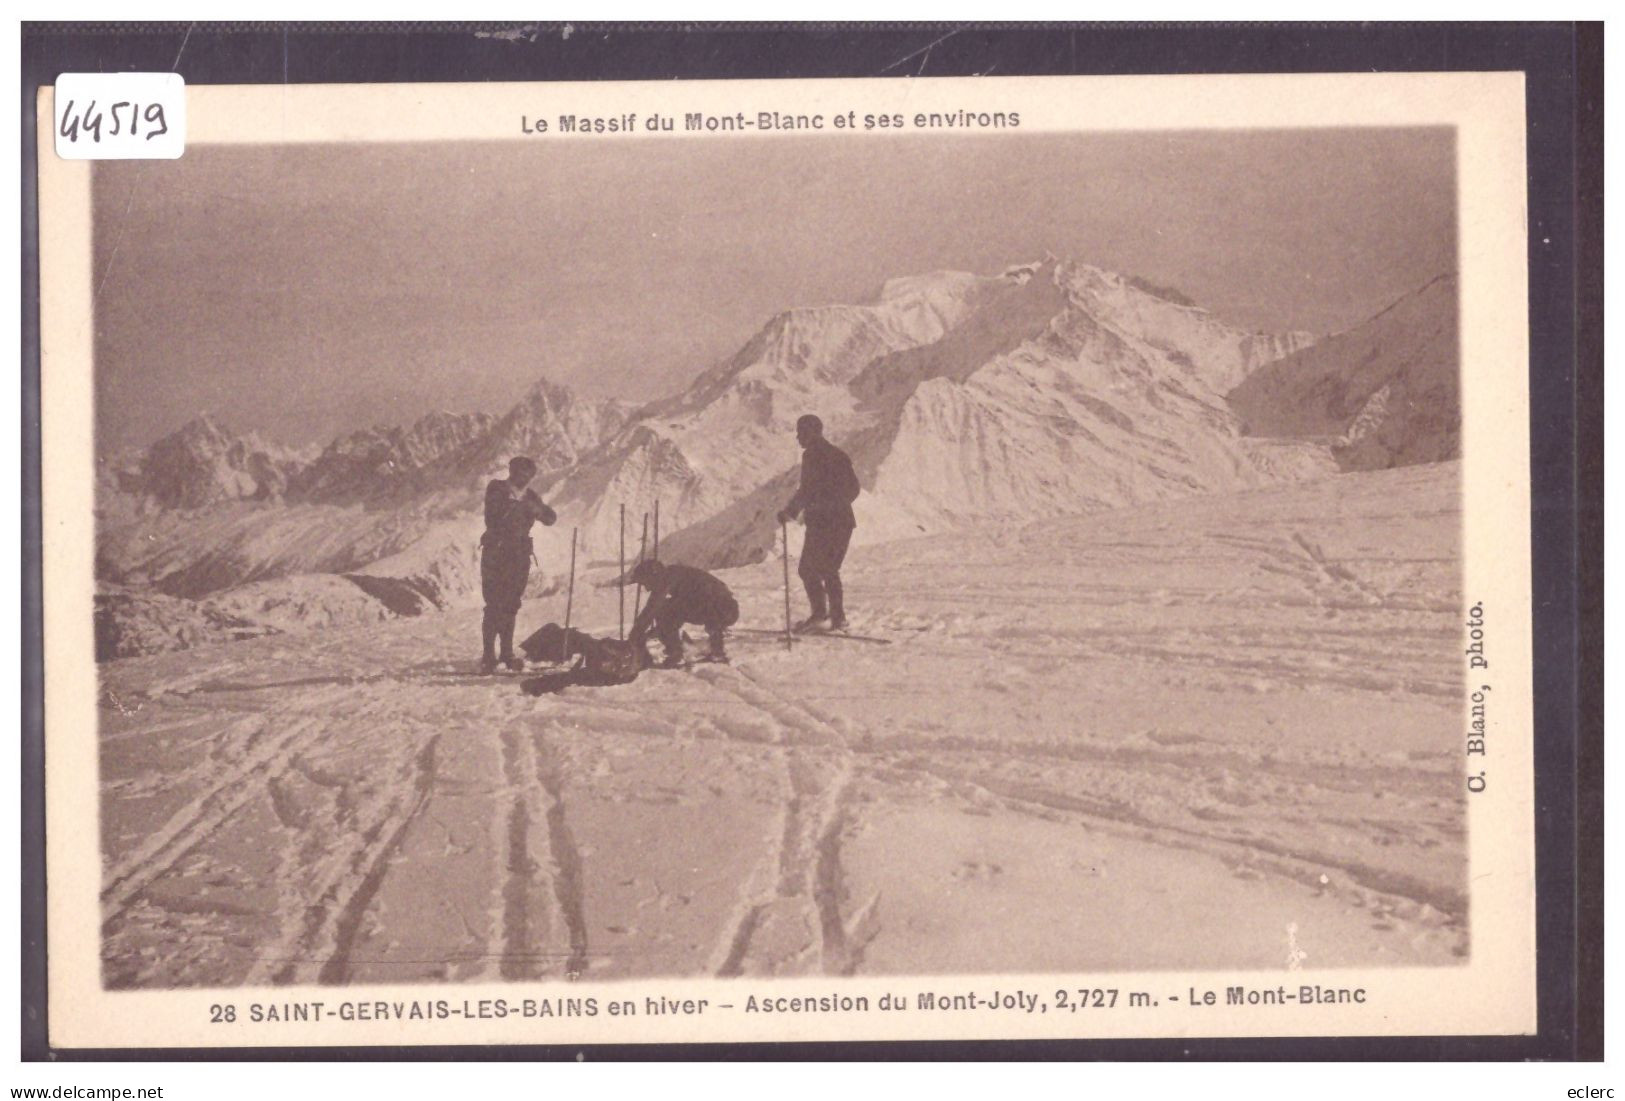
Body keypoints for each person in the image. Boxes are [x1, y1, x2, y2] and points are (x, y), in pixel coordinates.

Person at [776, 414, 860, 632]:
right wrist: (837, 504)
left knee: (808, 569)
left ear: (810, 432)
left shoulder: (812, 456)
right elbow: (854, 489)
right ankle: (838, 618)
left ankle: (820, 616)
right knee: (830, 569)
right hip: (844, 521)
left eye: (800, 432)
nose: (797, 437)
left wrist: (791, 512)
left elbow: (806, 490)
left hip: (823, 523)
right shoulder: (838, 454)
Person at [480, 456, 557, 673]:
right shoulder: (497, 488)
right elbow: (495, 514)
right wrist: (525, 507)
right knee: (494, 603)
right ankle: (488, 655)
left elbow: (551, 518)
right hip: (497, 552)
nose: (524, 477)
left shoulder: (530, 496)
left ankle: (506, 653)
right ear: (512, 471)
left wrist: (538, 510)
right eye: (521, 472)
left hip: (519, 555)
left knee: (511, 604)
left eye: (529, 474)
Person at [627, 559, 740, 666]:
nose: (647, 588)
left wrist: (636, 632)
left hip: (723, 610)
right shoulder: (674, 574)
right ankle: (715, 651)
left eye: (645, 582)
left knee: (664, 610)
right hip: (725, 609)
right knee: (669, 609)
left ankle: (677, 653)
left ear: (653, 576)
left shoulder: (667, 579)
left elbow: (653, 607)